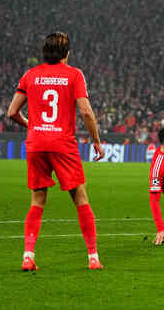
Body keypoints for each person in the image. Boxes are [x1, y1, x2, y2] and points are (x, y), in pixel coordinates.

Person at [7, 32, 105, 271]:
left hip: (36, 143)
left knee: (37, 201)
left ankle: (28, 256)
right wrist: (96, 140)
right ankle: (93, 257)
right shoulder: (74, 74)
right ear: (67, 52)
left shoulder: (30, 75)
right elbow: (86, 112)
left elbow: (11, 112)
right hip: (63, 143)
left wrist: (34, 125)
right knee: (80, 198)